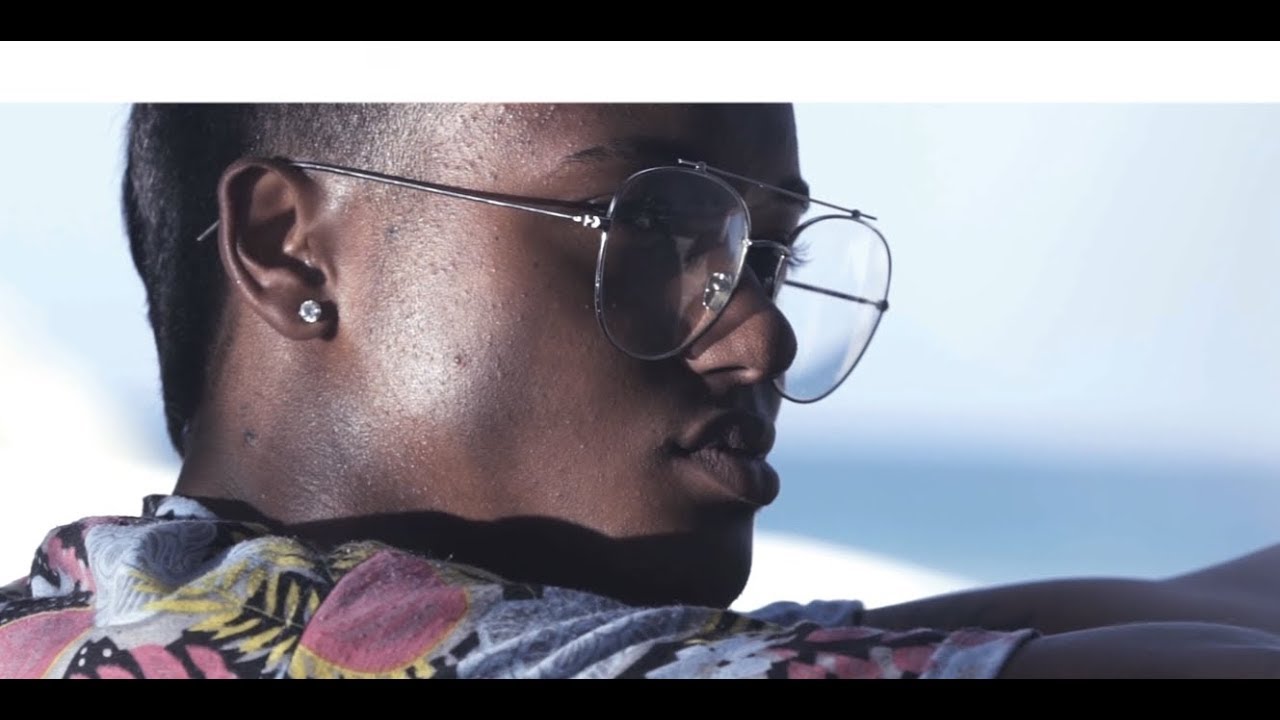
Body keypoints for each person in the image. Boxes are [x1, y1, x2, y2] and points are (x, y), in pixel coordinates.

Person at [2, 103, 1279, 679]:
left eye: (764, 258)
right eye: (654, 226)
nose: (760, 336)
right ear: (291, 246)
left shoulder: (107, 610)